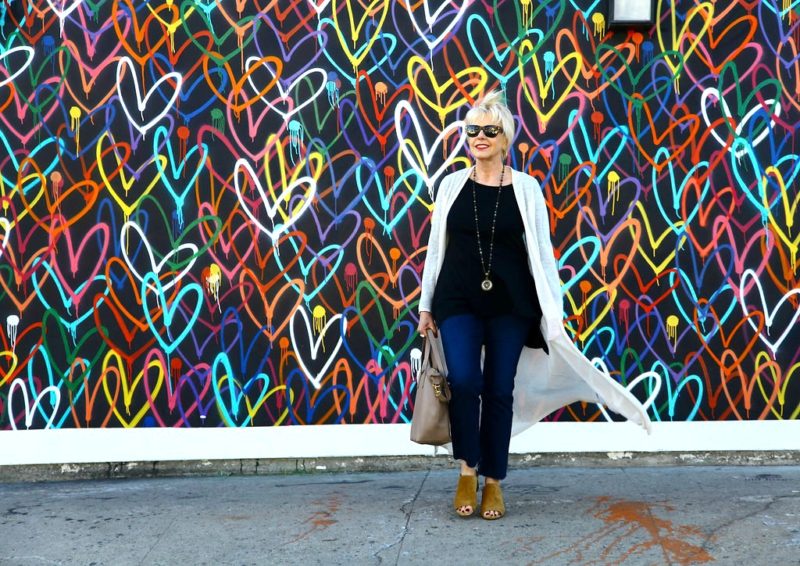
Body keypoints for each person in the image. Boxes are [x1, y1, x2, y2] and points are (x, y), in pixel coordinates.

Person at [417, 90, 651, 520]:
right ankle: (467, 469)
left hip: (512, 304)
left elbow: (542, 255)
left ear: (505, 139)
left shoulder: (526, 188)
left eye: (490, 130)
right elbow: (436, 249)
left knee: (499, 388)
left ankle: (493, 482)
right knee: (466, 381)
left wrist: (553, 313)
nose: (480, 136)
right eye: (473, 130)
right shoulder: (451, 185)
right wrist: (425, 305)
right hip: (457, 299)